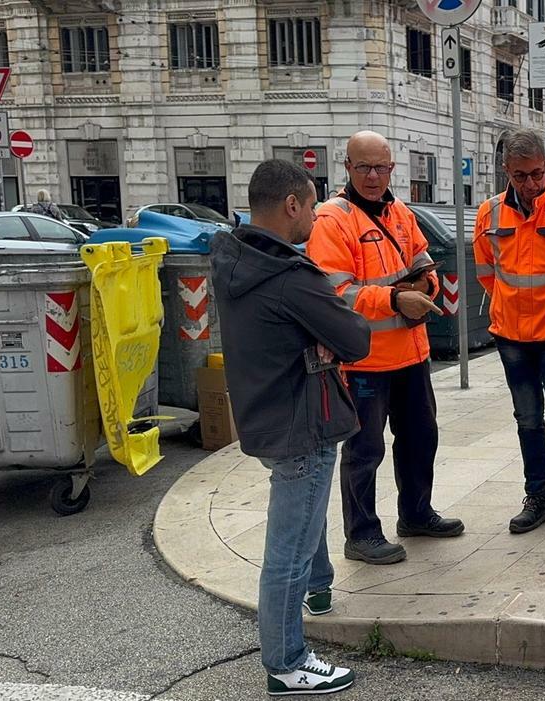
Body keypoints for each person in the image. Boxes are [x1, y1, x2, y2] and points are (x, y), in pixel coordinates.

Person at [210, 159, 369, 695]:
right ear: (292, 205)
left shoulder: (232, 255)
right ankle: (286, 661)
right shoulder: (290, 278)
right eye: (314, 203)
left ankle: (319, 590)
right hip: (303, 423)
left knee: (302, 529)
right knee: (289, 549)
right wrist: (321, 336)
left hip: (265, 414)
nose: (318, 217)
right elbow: (356, 339)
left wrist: (313, 337)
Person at [307, 130, 464, 567]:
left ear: (392, 168)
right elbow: (336, 292)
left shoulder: (400, 213)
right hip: (364, 361)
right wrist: (397, 298)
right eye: (364, 167)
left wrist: (425, 284)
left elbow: (424, 263)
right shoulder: (332, 219)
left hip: (412, 356)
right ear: (348, 168)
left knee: (420, 439)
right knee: (364, 451)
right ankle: (361, 534)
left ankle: (415, 514)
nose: (374, 176)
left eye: (381, 167)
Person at [474, 130, 545, 536]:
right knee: (527, 419)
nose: (531, 184)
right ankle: (538, 497)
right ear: (507, 171)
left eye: (538, 173)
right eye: (521, 176)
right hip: (512, 337)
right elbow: (487, 272)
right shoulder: (490, 214)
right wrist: (513, 305)